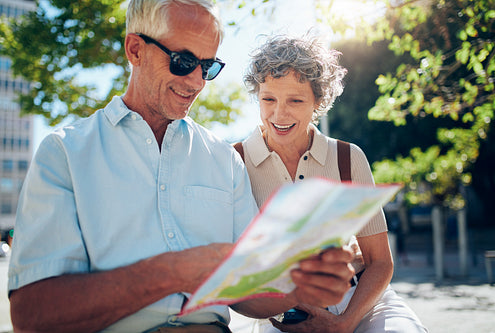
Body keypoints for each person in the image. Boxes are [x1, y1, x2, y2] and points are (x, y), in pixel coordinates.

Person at [7, 2, 356, 332]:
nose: (196, 82)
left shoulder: (223, 158)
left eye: (208, 67)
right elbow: (32, 316)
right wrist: (173, 273)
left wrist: (303, 282)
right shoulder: (64, 153)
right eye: (183, 60)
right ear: (135, 50)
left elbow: (249, 293)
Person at [234, 34, 428, 333]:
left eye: (295, 100)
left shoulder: (347, 158)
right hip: (281, 314)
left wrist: (344, 323)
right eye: (268, 99)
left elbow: (379, 262)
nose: (279, 114)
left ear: (319, 101)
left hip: (358, 303)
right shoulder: (235, 161)